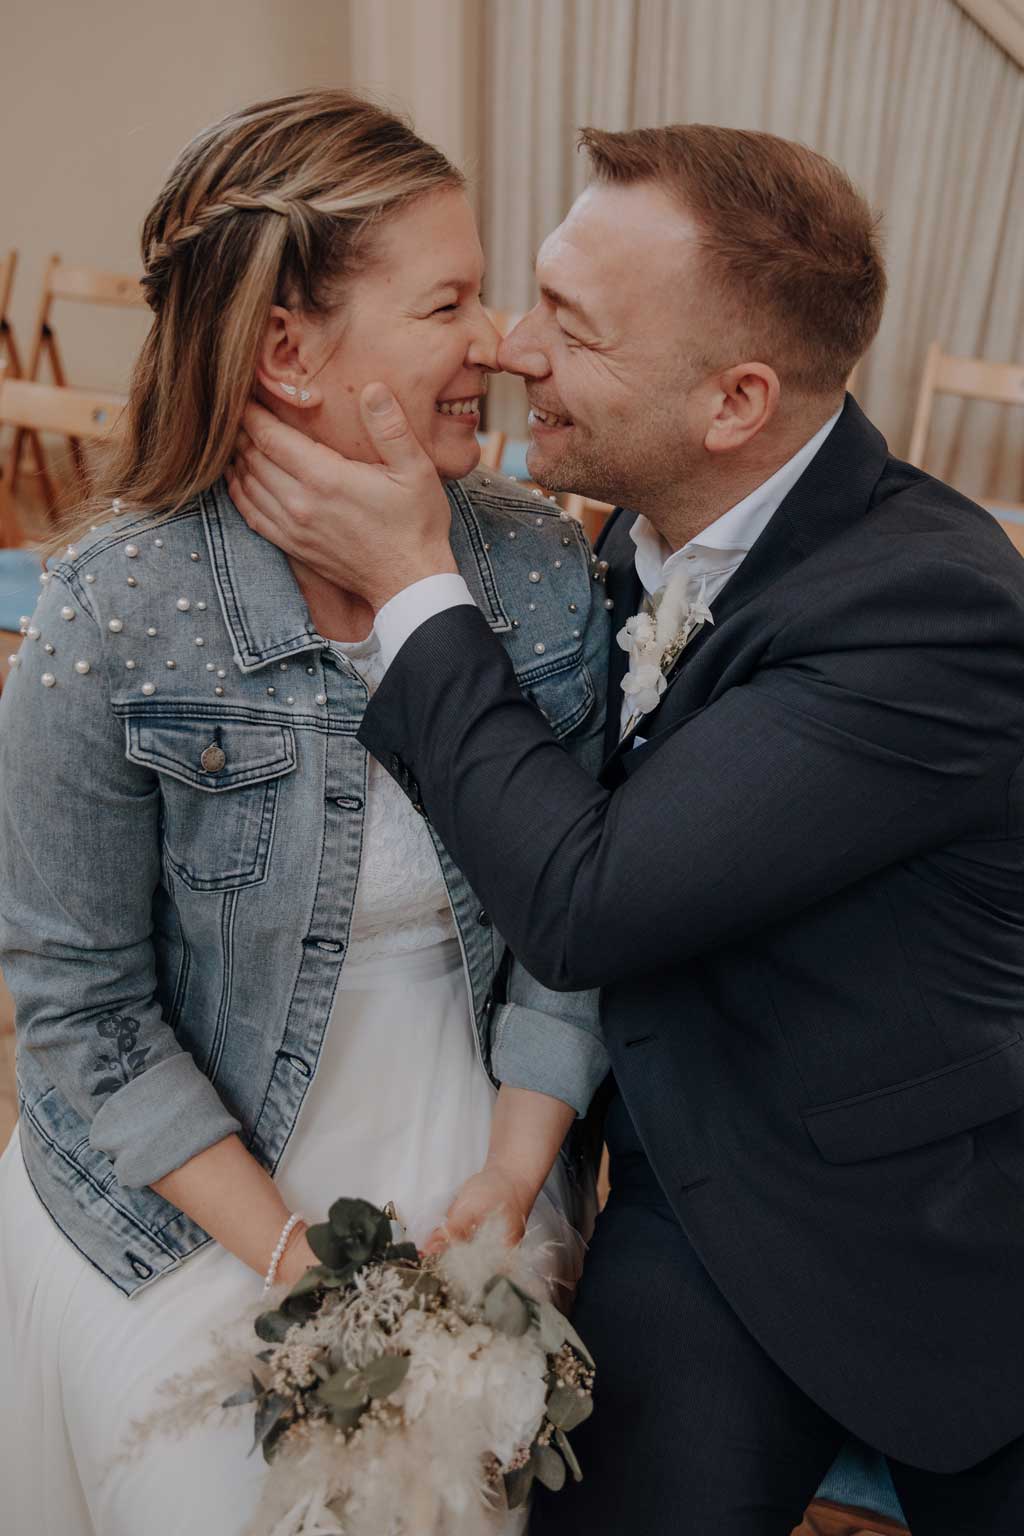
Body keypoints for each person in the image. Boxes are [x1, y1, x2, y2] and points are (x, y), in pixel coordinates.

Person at [228, 124, 1024, 1535]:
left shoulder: (934, 608)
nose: (517, 348)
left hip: (932, 1235)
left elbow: (586, 896)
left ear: (737, 402)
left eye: (574, 329)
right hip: (684, 1199)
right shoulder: (612, 542)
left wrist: (413, 582)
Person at [0, 91, 610, 1536]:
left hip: (482, 1147)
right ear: (285, 348)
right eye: (447, 303)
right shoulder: (115, 609)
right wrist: (292, 1264)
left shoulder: (534, 571)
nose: (498, 344)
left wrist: (518, 1181)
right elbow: (80, 1007)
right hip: (186, 1189)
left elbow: (578, 922)